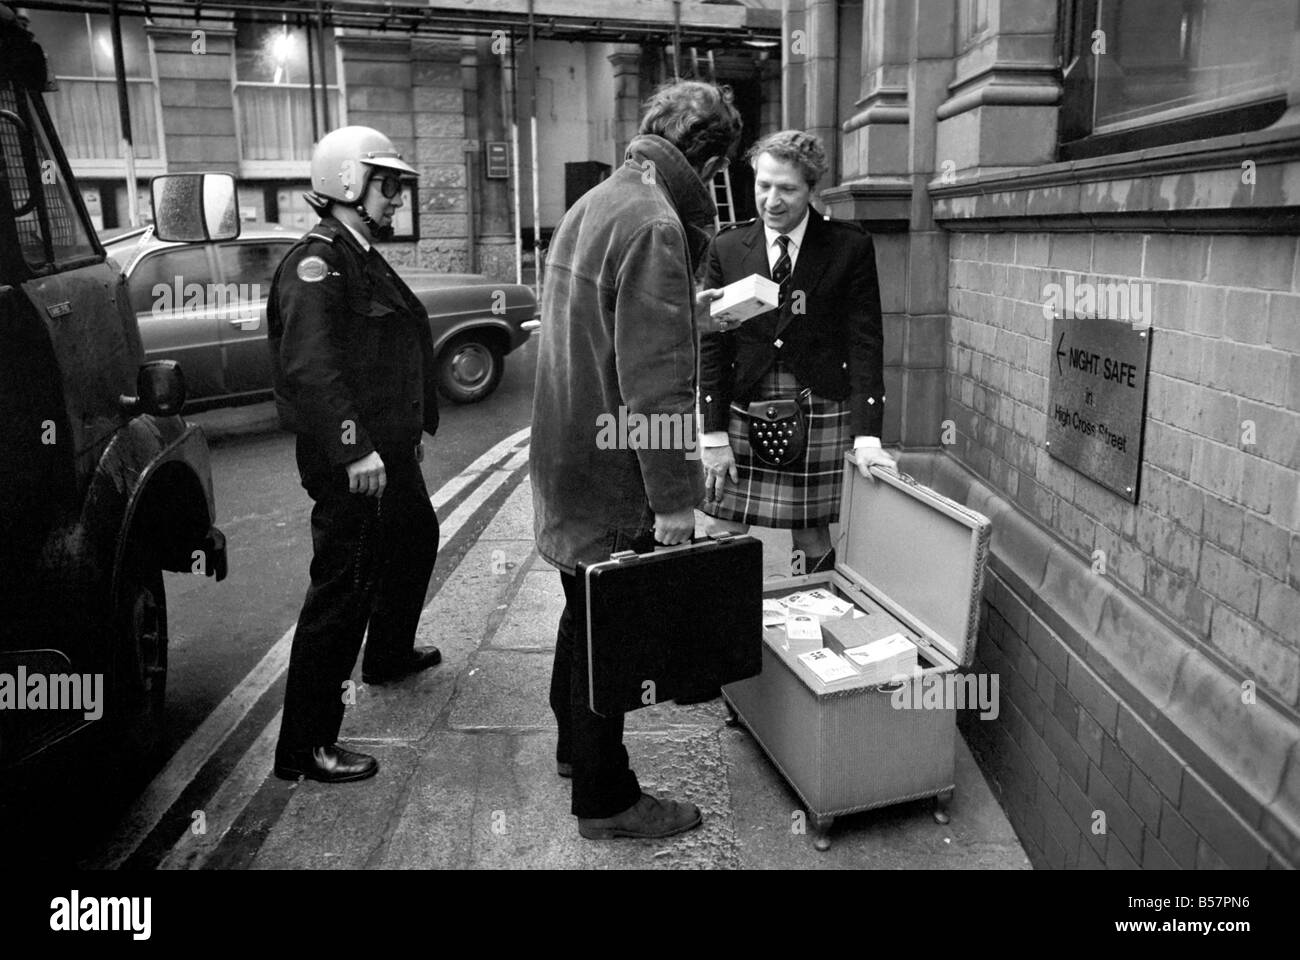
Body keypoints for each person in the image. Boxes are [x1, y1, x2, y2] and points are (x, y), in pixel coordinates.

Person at [530, 81, 742, 839]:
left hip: (566, 460)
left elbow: (603, 331)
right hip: (613, 473)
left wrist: (692, 316)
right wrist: (675, 503)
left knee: (577, 617)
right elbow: (651, 390)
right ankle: (606, 798)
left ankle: (569, 751)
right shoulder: (656, 223)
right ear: (710, 162)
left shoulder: (597, 203)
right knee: (609, 643)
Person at [267, 125, 443, 783]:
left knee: (415, 535)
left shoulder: (358, 252)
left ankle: (389, 653)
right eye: (387, 184)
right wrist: (354, 451)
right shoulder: (317, 263)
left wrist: (408, 428)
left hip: (387, 452)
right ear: (348, 183)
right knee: (342, 592)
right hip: (354, 462)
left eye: (397, 185)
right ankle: (305, 748)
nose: (396, 198)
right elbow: (314, 370)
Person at [699, 129, 897, 593]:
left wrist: (868, 435)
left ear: (811, 189)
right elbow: (714, 345)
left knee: (811, 534)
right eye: (763, 185)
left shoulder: (848, 246)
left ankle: (808, 627)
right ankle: (719, 628)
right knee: (723, 529)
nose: (772, 199)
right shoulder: (727, 248)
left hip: (821, 402)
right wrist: (710, 433)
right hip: (743, 405)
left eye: (787, 188)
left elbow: (865, 341)